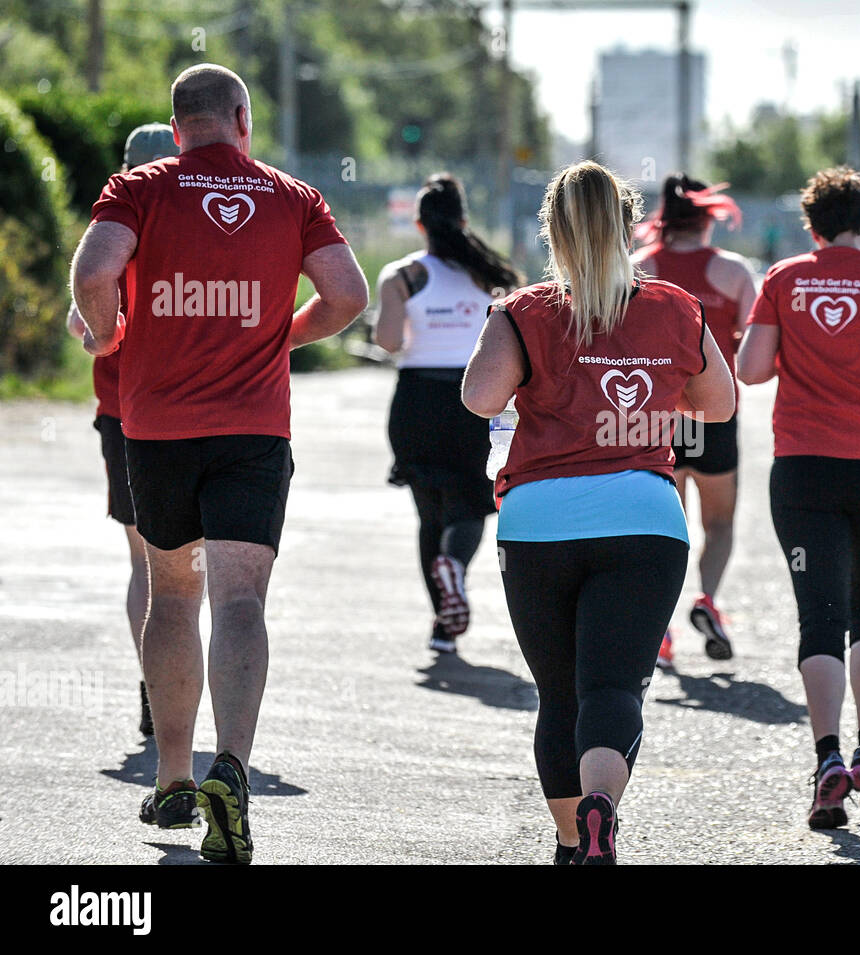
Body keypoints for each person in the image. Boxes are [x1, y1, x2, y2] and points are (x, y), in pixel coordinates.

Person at [70, 63, 368, 863]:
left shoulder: (139, 188)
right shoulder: (293, 196)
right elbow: (348, 296)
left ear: (175, 129)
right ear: (242, 118)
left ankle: (170, 778)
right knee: (242, 598)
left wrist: (106, 334)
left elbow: (95, 272)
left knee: (173, 593)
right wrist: (281, 334)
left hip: (159, 428)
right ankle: (230, 770)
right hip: (253, 431)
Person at [462, 161, 734, 863]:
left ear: (551, 231)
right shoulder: (675, 306)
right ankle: (600, 808)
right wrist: (653, 394)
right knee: (613, 685)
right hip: (644, 518)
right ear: (627, 227)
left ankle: (567, 843)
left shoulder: (523, 310)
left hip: (538, 522)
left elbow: (479, 398)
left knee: (558, 695)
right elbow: (721, 403)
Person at [737, 166, 860, 829]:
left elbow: (750, 369)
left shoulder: (785, 278)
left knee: (820, 615)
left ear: (812, 225)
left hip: (805, 467)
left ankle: (827, 759)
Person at [374, 174, 521, 655]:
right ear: (462, 221)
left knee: (428, 514)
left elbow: (389, 342)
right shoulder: (491, 275)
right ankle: (455, 568)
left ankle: (442, 624)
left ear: (420, 225)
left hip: (416, 401)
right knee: (473, 503)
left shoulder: (402, 277)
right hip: (473, 398)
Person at [65, 123, 179, 741]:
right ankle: (174, 684)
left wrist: (106, 333)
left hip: (125, 413)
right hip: (200, 411)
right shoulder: (208, 217)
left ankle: (152, 683)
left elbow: (78, 321)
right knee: (200, 566)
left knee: (147, 562)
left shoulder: (115, 220)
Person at [632, 173, 756, 669]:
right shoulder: (734, 272)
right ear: (709, 218)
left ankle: (659, 629)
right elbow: (750, 347)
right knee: (719, 521)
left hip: (654, 417)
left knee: (666, 526)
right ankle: (707, 600)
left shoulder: (641, 268)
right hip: (715, 413)